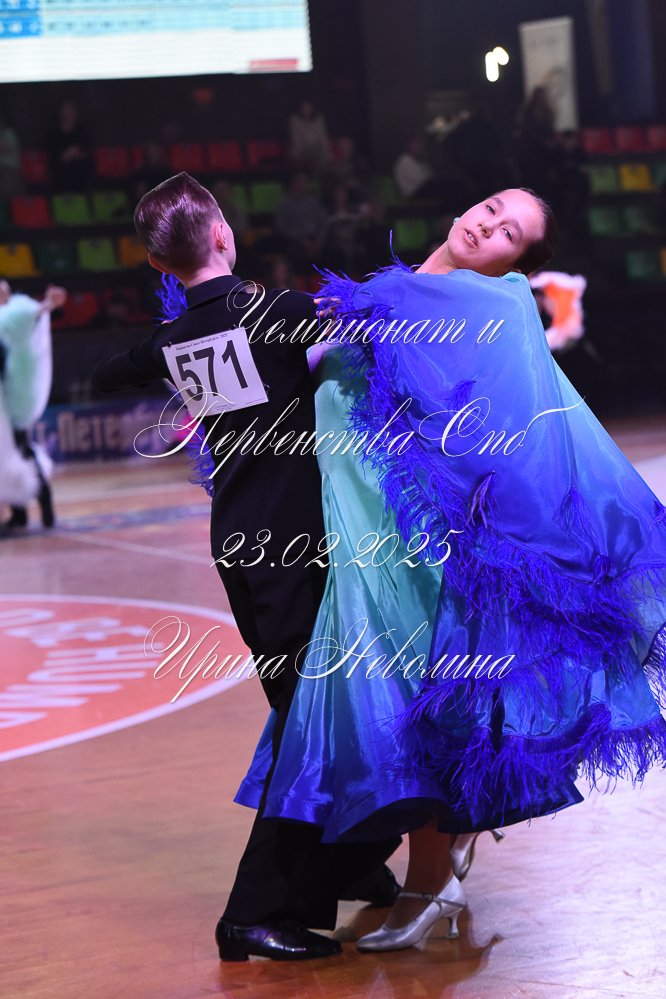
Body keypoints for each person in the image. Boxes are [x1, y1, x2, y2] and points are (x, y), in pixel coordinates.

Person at [237, 188, 666, 951]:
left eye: (510, 232)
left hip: (415, 547)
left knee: (414, 712)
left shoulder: (488, 307)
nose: (487, 223)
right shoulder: (393, 289)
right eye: (492, 207)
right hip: (353, 539)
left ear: (515, 263)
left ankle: (430, 877)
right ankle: (421, 860)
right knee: (386, 712)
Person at [90, 173, 400, 962]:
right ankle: (253, 911)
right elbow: (374, 315)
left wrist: (166, 359)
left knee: (315, 708)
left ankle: (350, 859)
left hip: (236, 542)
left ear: (159, 263)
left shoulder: (176, 338)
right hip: (292, 542)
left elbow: (108, 371)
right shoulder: (276, 310)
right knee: (308, 721)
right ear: (224, 234)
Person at [0, 281, 66, 533]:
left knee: (22, 452)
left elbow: (35, 313)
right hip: (4, 400)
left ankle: (44, 510)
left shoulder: (16, 314)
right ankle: (19, 515)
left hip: (14, 400)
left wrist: (49, 303)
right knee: (8, 456)